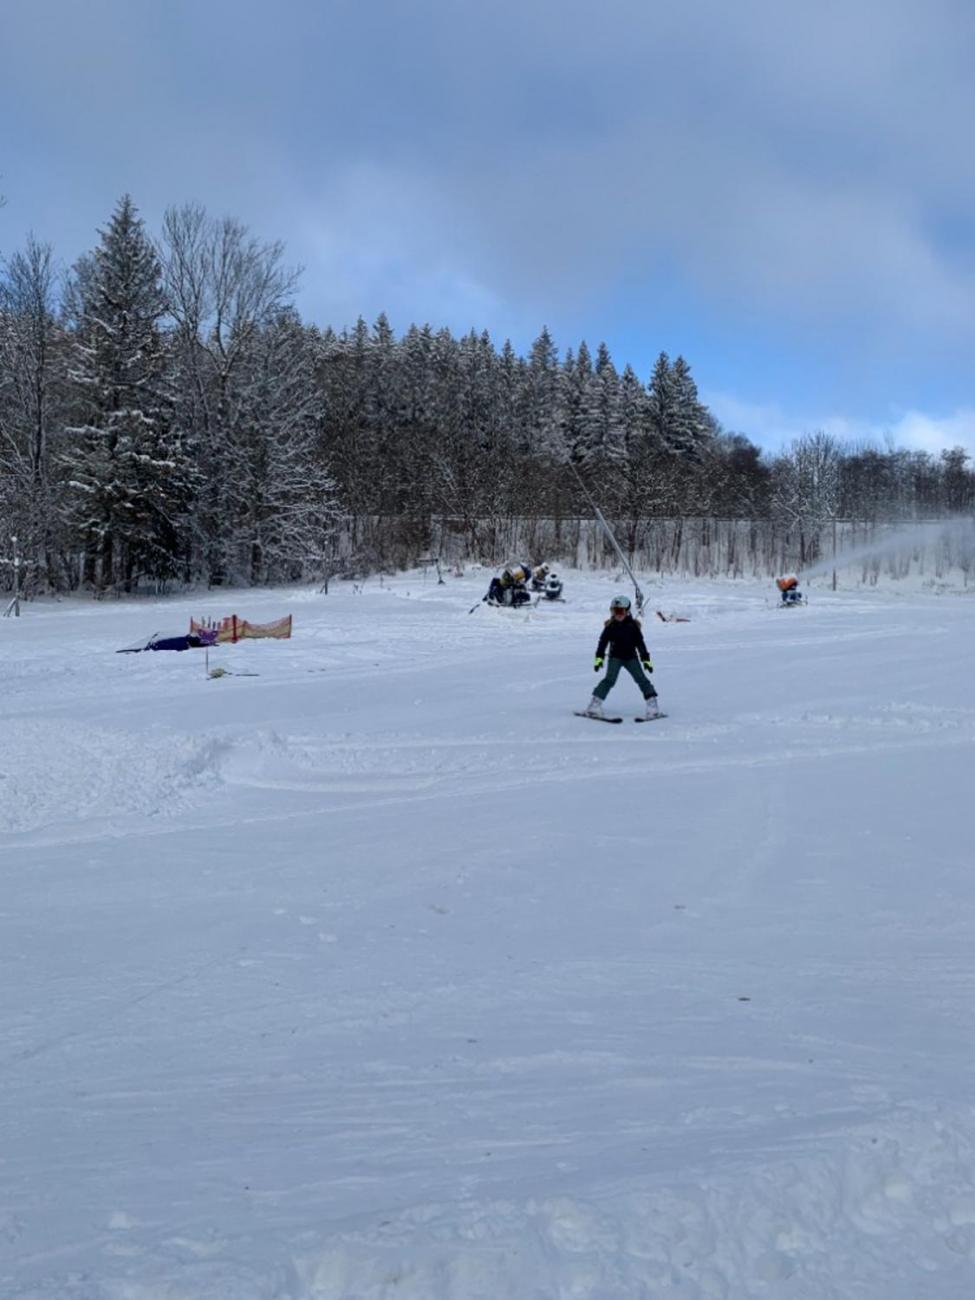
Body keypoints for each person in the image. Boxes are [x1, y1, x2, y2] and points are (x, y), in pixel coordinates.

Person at [583, 594, 661, 719]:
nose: (618, 614)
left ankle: (652, 706)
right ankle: (594, 705)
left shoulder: (633, 627)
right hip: (615, 658)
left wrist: (646, 660)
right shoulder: (610, 627)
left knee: (641, 679)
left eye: (621, 611)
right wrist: (599, 659)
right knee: (609, 680)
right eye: (615, 611)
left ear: (627, 611)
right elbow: (602, 643)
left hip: (631, 658)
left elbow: (640, 644)